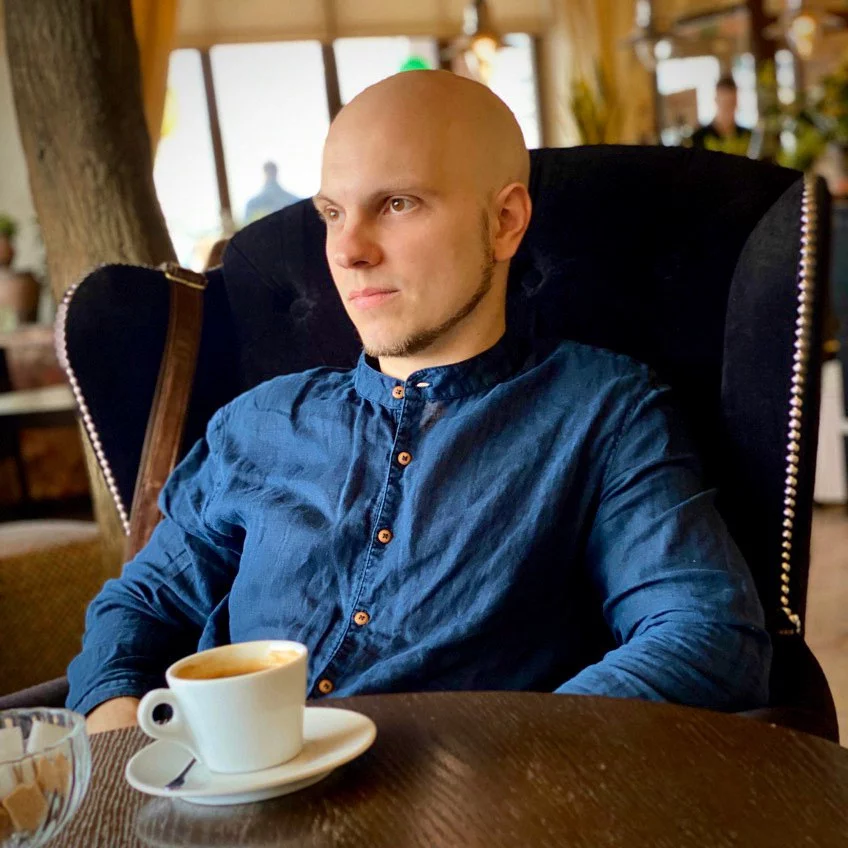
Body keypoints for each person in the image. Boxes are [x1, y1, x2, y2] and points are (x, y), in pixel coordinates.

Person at [70, 70, 771, 734]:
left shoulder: (602, 411)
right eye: (332, 213)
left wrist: (508, 758)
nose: (347, 251)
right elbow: (142, 604)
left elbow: (705, 635)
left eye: (397, 204)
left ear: (505, 222)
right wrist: (115, 735)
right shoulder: (257, 423)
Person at [690, 76, 752, 156]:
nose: (727, 109)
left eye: (731, 103)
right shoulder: (699, 137)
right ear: (716, 101)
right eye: (724, 103)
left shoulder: (748, 136)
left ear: (736, 102)